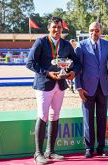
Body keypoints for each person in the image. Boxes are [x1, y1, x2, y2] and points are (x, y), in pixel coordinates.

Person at [26, 16, 81, 164]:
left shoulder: (66, 44)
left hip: (60, 85)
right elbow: (30, 63)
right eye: (54, 27)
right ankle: (38, 153)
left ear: (62, 28)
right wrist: (47, 73)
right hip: (44, 84)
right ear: (49, 28)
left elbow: (76, 62)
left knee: (55, 116)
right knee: (43, 115)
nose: (56, 30)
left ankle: (50, 151)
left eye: (59, 27)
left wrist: (72, 73)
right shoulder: (41, 42)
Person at [75, 21, 108, 158]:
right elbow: (77, 68)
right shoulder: (81, 45)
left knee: (102, 118)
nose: (94, 33)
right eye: (91, 30)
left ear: (101, 31)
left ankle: (101, 147)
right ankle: (89, 148)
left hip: (103, 87)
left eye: (96, 30)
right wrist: (78, 87)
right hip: (86, 88)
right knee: (88, 118)